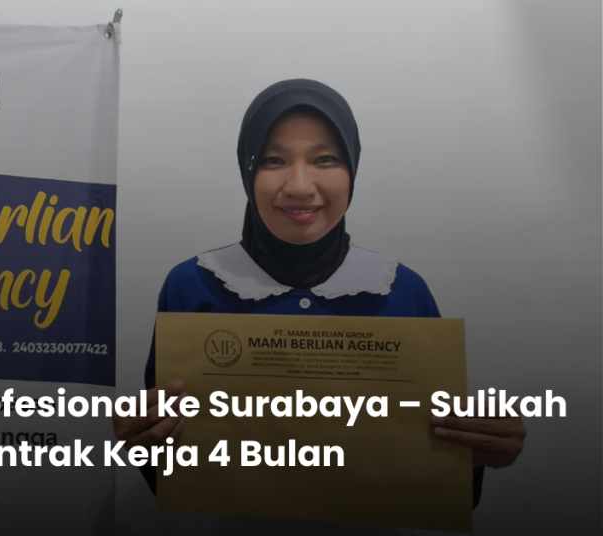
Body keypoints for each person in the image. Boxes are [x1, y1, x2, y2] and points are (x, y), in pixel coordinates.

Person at [112, 79, 526, 533]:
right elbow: (171, 472)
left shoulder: (402, 291)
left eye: (325, 159)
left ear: (353, 168)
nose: (299, 186)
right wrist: (141, 443)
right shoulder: (192, 285)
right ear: (247, 169)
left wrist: (478, 452)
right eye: (273, 160)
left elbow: (439, 474)